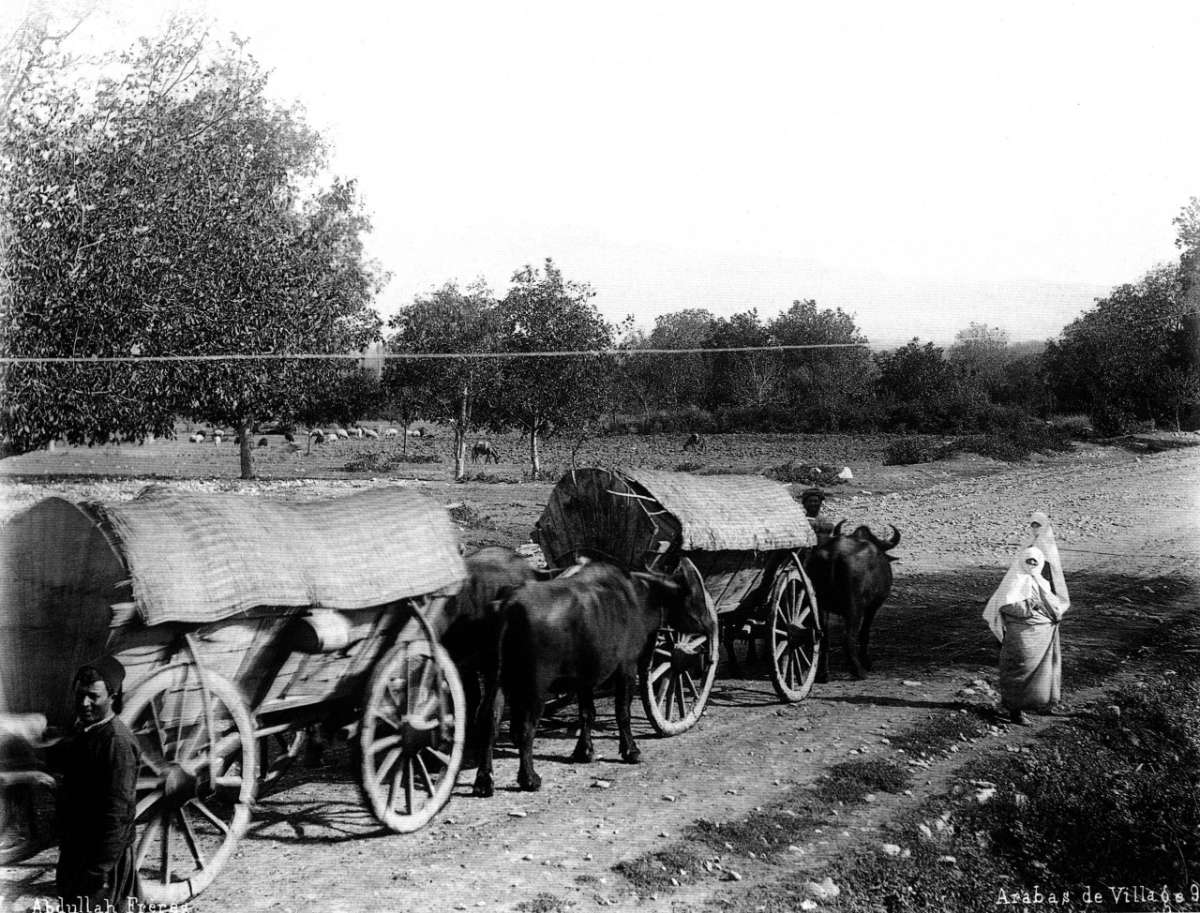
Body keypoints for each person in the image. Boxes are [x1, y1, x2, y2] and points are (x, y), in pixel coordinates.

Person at [53, 656, 141, 911]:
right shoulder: (88, 732)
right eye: (80, 695)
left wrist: (100, 872)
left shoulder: (117, 743)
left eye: (93, 696)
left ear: (112, 696)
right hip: (79, 853)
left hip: (101, 862)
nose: (84, 703)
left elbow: (118, 815)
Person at [982, 545, 1069, 724]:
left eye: (1034, 562)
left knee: (1041, 671)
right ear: (1022, 561)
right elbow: (1005, 605)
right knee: (1019, 669)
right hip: (1022, 635)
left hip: (1042, 636)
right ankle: (1015, 711)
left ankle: (1036, 703)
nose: (1031, 565)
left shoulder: (1041, 581)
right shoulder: (1014, 580)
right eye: (1028, 561)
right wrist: (1031, 607)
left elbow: (1053, 604)